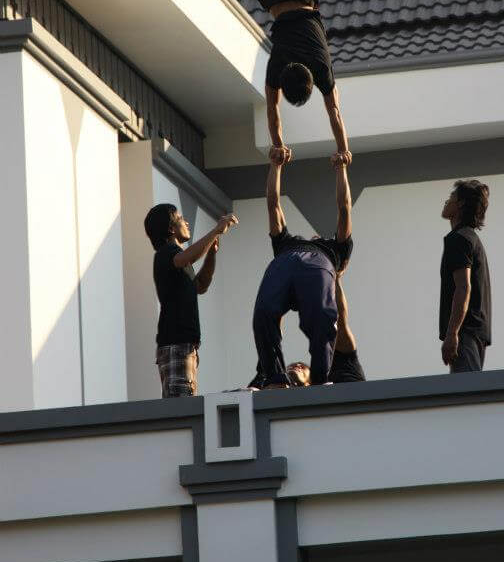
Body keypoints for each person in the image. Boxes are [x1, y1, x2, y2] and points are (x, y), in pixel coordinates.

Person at [172, 0, 433, 164]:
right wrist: (278, 145)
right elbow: (273, 111)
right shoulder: (276, 68)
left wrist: (344, 150)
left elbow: (335, 112)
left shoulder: (321, 67)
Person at [252, 153, 353, 387]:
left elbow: (344, 207)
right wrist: (275, 165)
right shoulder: (285, 242)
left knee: (321, 319)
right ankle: (275, 377)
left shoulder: (336, 249)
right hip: (286, 263)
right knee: (264, 314)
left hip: (318, 265)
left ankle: (318, 379)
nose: (316, 234)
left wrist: (341, 168)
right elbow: (272, 203)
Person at [144, 204, 238, 397]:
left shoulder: (178, 260)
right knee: (181, 403)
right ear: (171, 229)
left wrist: (211, 253)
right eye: (180, 219)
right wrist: (216, 230)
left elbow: (201, 285)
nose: (186, 222)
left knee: (185, 397)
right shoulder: (166, 253)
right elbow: (186, 258)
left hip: (183, 345)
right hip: (176, 344)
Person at [439, 180, 491, 373]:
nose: (446, 201)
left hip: (465, 332)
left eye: (451, 197)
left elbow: (463, 287)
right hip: (475, 333)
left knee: (466, 395)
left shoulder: (459, 239)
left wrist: (452, 333)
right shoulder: (471, 239)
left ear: (460, 204)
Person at [329, 272, 366, 383]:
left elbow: (340, 321)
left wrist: (335, 277)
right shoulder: (290, 395)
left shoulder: (341, 363)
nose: (297, 366)